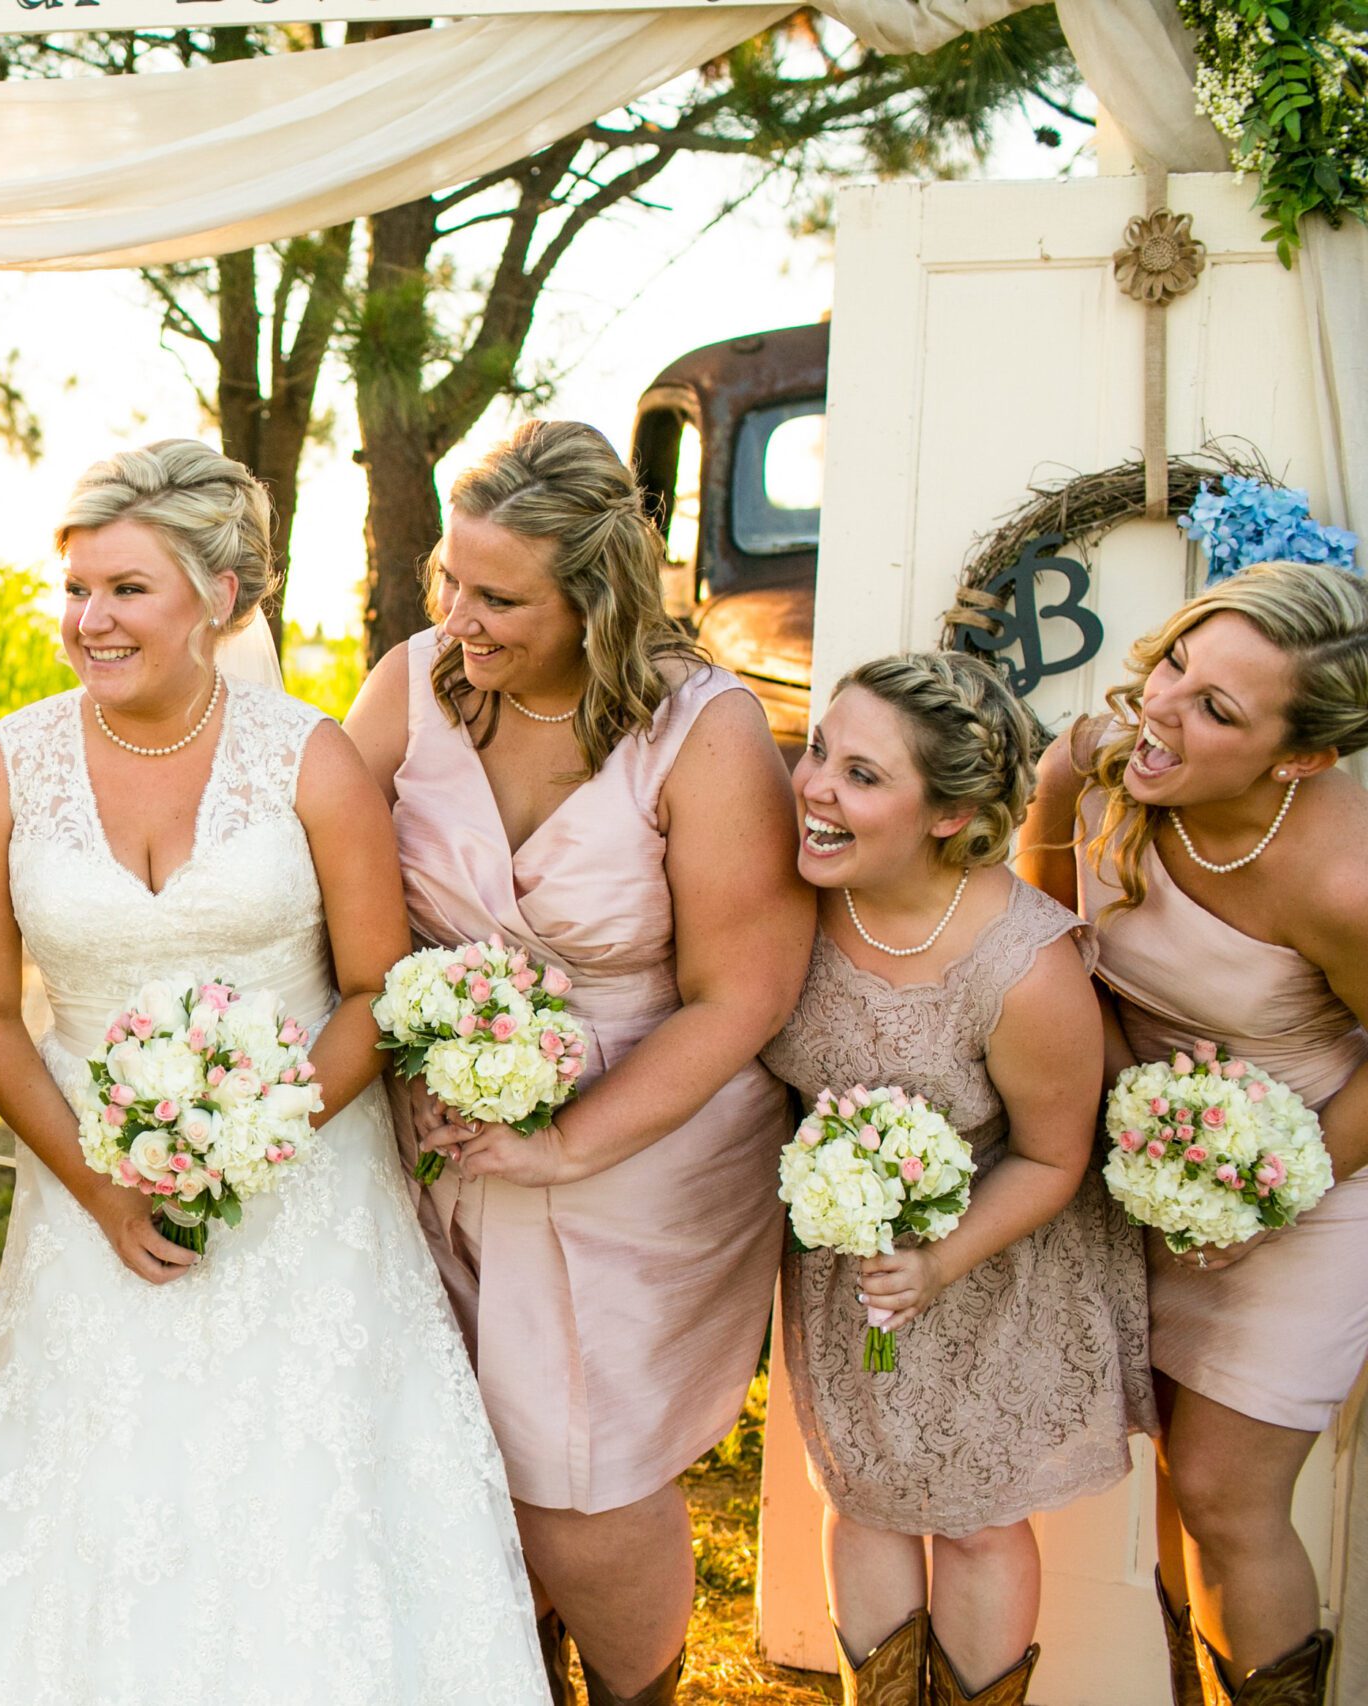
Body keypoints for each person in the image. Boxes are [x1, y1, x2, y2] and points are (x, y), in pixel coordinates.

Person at [0, 439, 550, 1704]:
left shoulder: (312, 758)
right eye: (75, 587)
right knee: (93, 1490)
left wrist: (256, 1134)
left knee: (302, 1489)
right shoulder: (10, 763)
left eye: (126, 588)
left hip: (306, 1190)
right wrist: (101, 1185)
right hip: (85, 1187)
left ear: (221, 595)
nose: (88, 619)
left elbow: (370, 990)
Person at [346, 419, 812, 1705]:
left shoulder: (699, 731)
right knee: (463, 1449)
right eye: (450, 578)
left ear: (596, 594)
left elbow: (743, 995)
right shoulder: (411, 681)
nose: (460, 615)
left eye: (499, 596)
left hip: (648, 1130)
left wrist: (567, 1141)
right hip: (440, 1120)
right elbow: (326, 875)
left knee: (579, 1470)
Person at [764, 651, 1151, 1706]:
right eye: (815, 752)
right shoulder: (788, 899)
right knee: (862, 1494)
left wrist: (935, 1261)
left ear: (947, 815)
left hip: (993, 1267)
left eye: (861, 774)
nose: (813, 787)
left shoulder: (1023, 967)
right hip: (846, 1268)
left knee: (977, 1522)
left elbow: (1054, 1154)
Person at [1023, 561, 1367, 1706]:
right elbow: (1050, 944)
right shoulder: (1089, 767)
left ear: (1298, 756)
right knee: (1173, 1471)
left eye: (1217, 708)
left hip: (1318, 1171)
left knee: (1227, 1490)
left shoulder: (1345, 878)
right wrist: (1130, 1125)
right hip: (1148, 1163)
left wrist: (1268, 1189)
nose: (1160, 709)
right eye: (1176, 660)